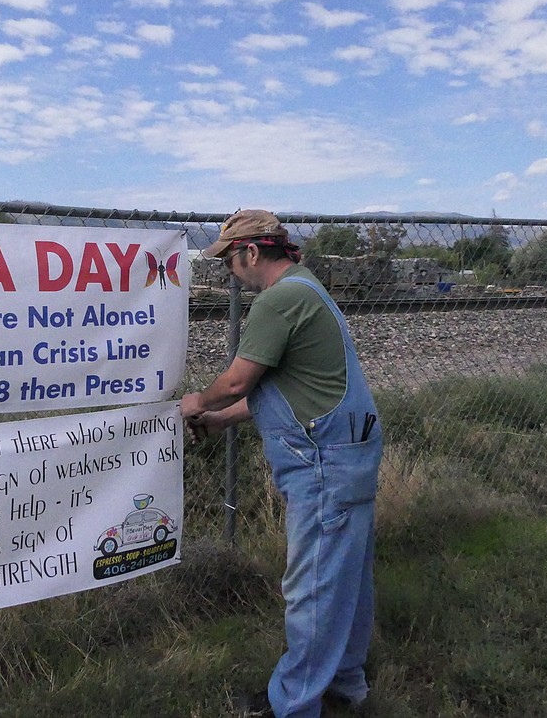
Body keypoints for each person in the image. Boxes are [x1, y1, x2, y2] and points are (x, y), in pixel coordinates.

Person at [180, 210, 382, 718]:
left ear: (251, 251)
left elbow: (237, 382)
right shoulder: (307, 287)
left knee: (312, 584)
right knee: (346, 578)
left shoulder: (278, 300)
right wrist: (223, 422)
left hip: (323, 463)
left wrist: (196, 404)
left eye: (229, 258)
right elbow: (286, 390)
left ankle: (293, 705)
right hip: (348, 451)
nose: (228, 270)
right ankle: (345, 685)